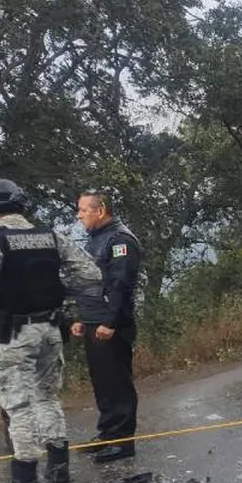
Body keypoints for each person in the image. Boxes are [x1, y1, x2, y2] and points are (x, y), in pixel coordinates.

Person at [0, 178, 103, 483]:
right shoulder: (51, 236)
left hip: (13, 334)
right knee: (47, 397)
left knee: (18, 404)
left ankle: (25, 481)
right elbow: (91, 274)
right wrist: (54, 289)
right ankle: (58, 468)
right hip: (51, 330)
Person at [71, 189, 143, 463]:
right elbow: (89, 283)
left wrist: (110, 321)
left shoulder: (120, 240)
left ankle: (122, 442)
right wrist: (81, 318)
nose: (79, 216)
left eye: (83, 210)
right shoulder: (95, 240)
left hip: (111, 324)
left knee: (117, 382)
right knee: (102, 383)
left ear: (99, 211)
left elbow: (120, 285)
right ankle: (107, 434)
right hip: (93, 321)